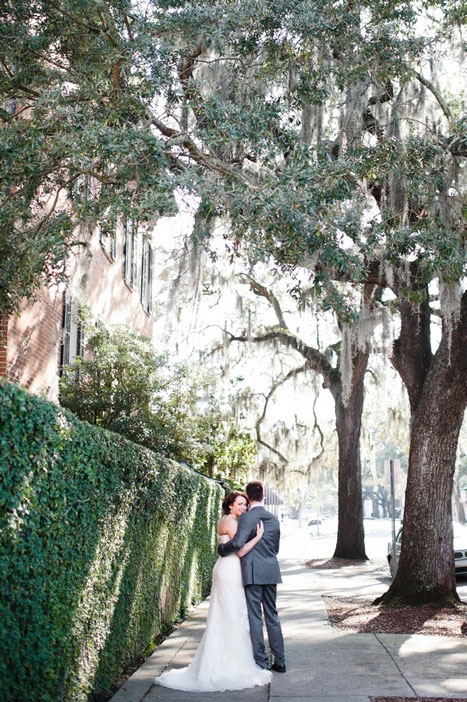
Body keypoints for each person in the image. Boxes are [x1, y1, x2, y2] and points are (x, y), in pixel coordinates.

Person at [154, 491, 272, 692]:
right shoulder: (232, 522)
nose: (244, 508)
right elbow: (241, 550)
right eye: (240, 504)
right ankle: (228, 664)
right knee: (231, 616)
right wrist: (258, 537)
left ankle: (218, 660)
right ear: (230, 506)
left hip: (224, 567)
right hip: (230, 570)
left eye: (245, 505)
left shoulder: (224, 519)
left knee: (223, 616)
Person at [218, 480, 286, 673]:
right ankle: (280, 661)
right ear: (263, 496)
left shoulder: (247, 518)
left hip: (252, 572)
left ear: (248, 498)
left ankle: (261, 662)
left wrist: (222, 548)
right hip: (271, 571)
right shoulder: (273, 518)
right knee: (272, 615)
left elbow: (237, 543)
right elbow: (276, 548)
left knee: (255, 617)